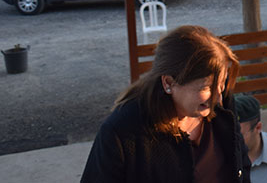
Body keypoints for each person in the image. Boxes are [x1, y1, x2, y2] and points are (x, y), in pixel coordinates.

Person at [81, 25, 251, 183]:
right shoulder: (121, 131)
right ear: (168, 83)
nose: (218, 96)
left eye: (222, 83)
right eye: (206, 87)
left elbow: (241, 165)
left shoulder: (223, 104)